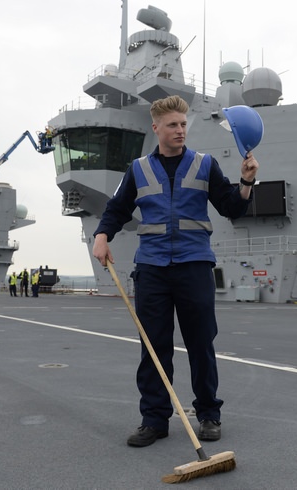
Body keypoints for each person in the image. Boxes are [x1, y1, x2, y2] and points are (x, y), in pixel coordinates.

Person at [92, 95, 259, 448]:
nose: (180, 130)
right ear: (157, 128)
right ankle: (154, 420)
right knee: (154, 347)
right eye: (173, 125)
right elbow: (116, 209)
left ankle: (209, 415)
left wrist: (245, 183)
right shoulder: (137, 169)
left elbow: (231, 207)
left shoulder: (205, 164)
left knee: (201, 344)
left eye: (183, 124)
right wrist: (102, 236)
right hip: (152, 269)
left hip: (194, 266)